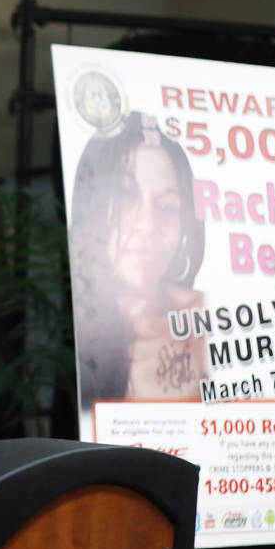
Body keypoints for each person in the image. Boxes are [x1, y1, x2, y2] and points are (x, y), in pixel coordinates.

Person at [68, 110, 207, 407]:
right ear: (90, 205)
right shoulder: (64, 327)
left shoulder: (209, 328)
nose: (147, 222)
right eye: (125, 194)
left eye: (167, 206)